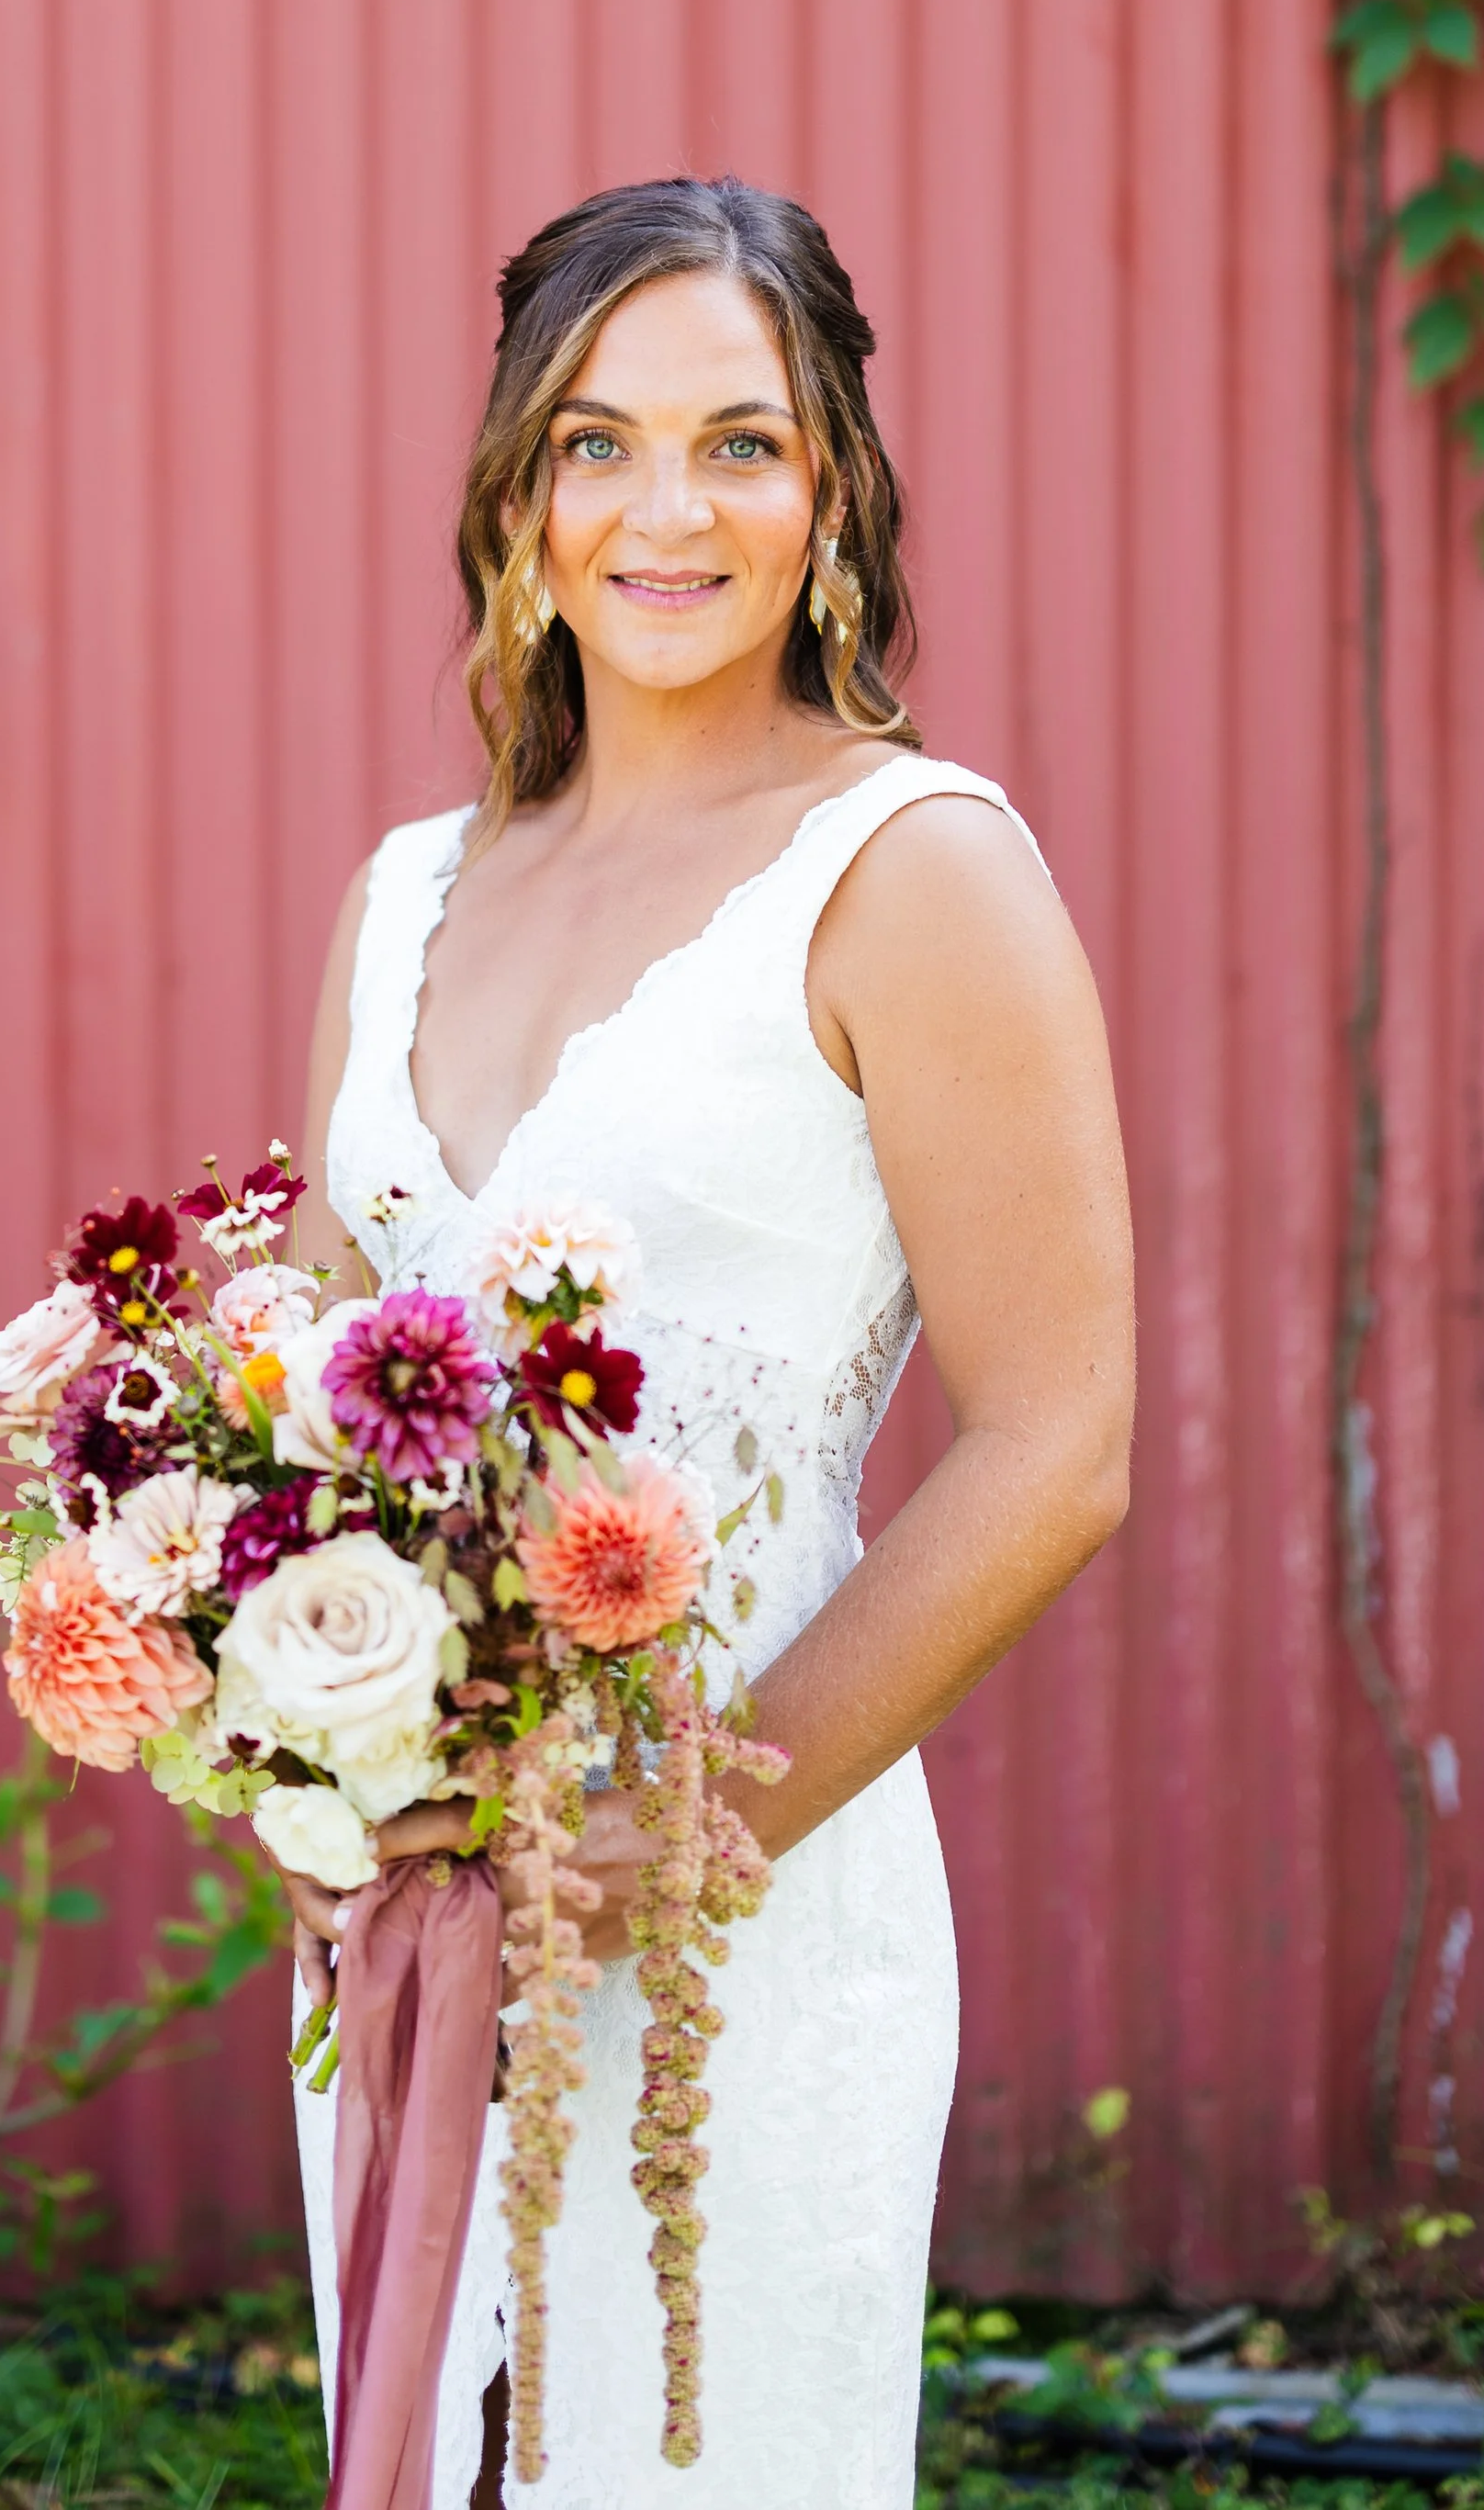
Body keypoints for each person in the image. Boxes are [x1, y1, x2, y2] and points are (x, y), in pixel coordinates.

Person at [278, 176, 1134, 2510]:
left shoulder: (915, 869)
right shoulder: (406, 892)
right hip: (415, 1914)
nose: (667, 510)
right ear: (516, 497)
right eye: (595, 443)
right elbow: (328, 1440)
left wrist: (670, 1837)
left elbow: (1056, 1447)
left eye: (739, 443)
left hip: (748, 1914)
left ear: (832, 487)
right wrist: (295, 1758)